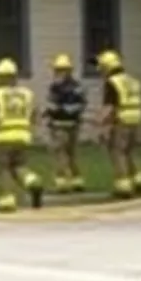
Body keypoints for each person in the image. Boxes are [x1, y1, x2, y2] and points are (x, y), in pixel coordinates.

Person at [0, 58, 44, 212]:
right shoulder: (27, 94)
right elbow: (35, 115)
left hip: (2, 137)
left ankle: (6, 200)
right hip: (23, 136)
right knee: (20, 166)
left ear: (0, 77)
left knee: (2, 169)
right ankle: (33, 182)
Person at [97, 49, 141, 198]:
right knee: (131, 151)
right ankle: (139, 180)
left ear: (107, 67)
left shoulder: (112, 83)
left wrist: (101, 121)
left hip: (122, 120)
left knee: (118, 152)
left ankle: (123, 186)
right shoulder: (131, 80)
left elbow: (110, 106)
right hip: (136, 118)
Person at [44, 54, 88, 193]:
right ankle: (77, 180)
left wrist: (49, 113)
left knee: (60, 153)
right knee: (72, 153)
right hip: (74, 124)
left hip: (59, 124)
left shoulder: (56, 87)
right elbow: (82, 104)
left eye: (58, 70)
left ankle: (62, 181)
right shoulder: (78, 86)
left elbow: (52, 106)